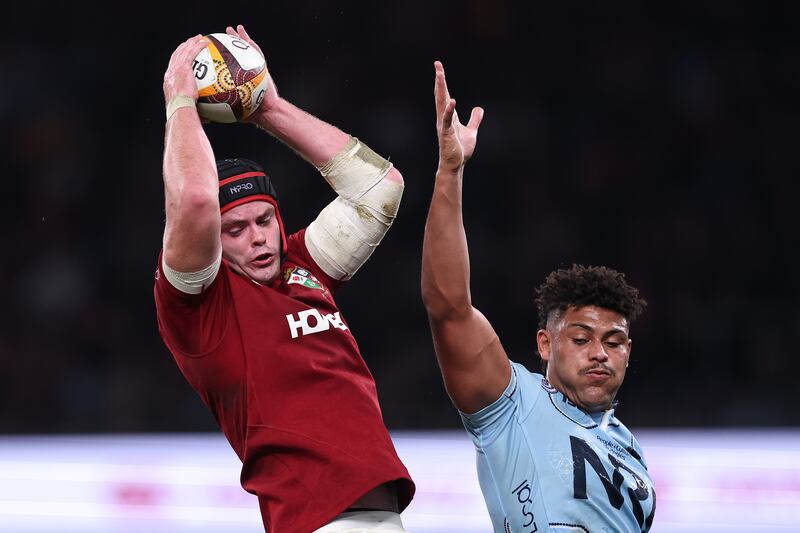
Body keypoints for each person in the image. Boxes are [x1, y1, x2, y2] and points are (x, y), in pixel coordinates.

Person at [154, 25, 415, 533]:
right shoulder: (199, 309)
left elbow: (380, 189)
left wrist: (268, 107)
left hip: (375, 516)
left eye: (264, 220)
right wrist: (180, 103)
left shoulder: (302, 267)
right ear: (214, 242)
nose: (257, 239)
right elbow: (196, 201)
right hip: (319, 522)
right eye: (235, 230)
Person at [421, 61, 656, 532]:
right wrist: (450, 172)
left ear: (628, 352)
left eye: (613, 342)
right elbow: (448, 308)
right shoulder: (512, 404)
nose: (599, 354)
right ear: (545, 344)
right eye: (582, 338)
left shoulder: (629, 448)